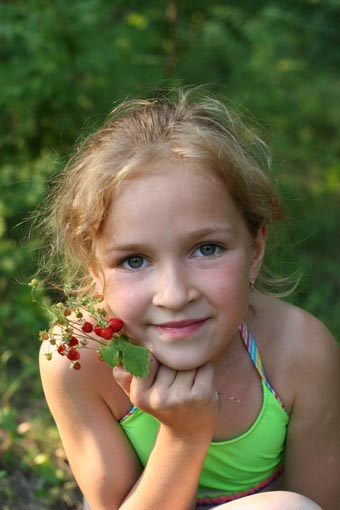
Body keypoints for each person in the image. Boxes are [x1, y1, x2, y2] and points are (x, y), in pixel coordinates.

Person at [38, 89, 340, 510]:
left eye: (207, 249)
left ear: (254, 251)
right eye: (134, 260)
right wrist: (184, 435)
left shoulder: (299, 352)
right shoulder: (77, 358)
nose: (175, 295)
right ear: (95, 271)